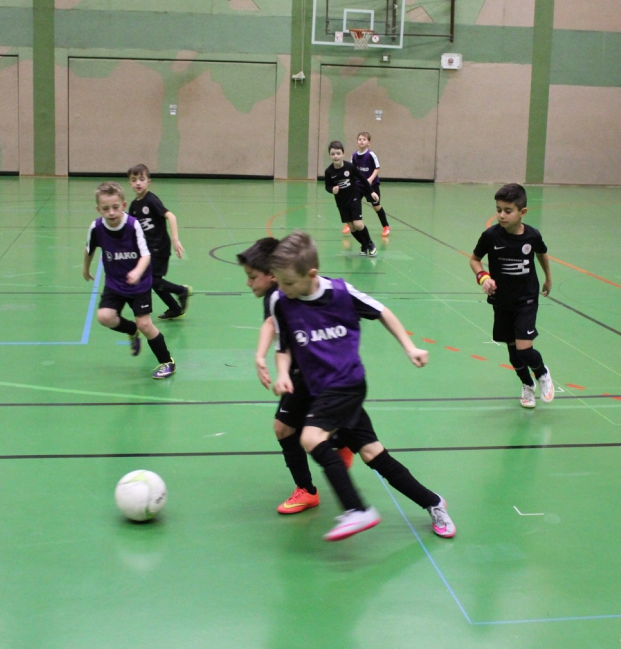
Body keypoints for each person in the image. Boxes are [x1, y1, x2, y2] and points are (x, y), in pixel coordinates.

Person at [268, 231, 455, 541]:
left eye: (288, 282)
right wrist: (282, 373)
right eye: (279, 282)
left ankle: (357, 510)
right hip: (317, 390)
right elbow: (283, 345)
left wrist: (409, 347)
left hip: (347, 384)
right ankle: (433, 502)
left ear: (311, 274)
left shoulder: (341, 294)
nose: (282, 289)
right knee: (373, 454)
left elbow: (382, 312)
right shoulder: (282, 301)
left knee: (311, 437)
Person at [237, 238, 354, 515]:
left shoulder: (283, 292)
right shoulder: (280, 291)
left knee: (284, 429)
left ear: (272, 275)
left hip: (306, 370)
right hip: (307, 368)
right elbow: (273, 323)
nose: (248, 283)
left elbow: (271, 323)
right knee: (295, 426)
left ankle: (310, 488)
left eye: (253, 276)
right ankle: (341, 439)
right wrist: (260, 356)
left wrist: (262, 356)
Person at [469, 183, 554, 409]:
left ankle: (542, 373)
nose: (501, 215)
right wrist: (483, 278)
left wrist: (548, 278)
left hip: (526, 299)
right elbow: (474, 260)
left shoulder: (532, 236)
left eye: (508, 211)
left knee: (524, 349)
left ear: (522, 212)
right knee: (514, 354)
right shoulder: (490, 236)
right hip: (502, 301)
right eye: (498, 210)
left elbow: (542, 253)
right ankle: (527, 385)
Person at [83, 181, 176, 379]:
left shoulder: (133, 225)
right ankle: (131, 330)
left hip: (139, 284)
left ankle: (167, 362)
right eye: (105, 208)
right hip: (114, 283)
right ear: (98, 209)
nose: (111, 212)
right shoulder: (96, 227)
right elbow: (89, 249)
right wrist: (85, 269)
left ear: (123, 205)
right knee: (105, 317)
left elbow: (146, 255)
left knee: (145, 324)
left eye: (115, 207)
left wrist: (137, 272)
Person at [126, 164, 191, 320]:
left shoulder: (151, 200)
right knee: (154, 281)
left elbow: (171, 216)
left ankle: (181, 291)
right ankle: (175, 308)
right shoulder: (134, 206)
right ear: (129, 183)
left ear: (149, 181)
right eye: (134, 180)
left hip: (160, 247)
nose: (138, 183)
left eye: (142, 179)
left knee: (153, 280)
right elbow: (132, 228)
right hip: (147, 250)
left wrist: (175, 239)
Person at [324, 140, 379, 256]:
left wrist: (371, 192)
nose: (336, 156)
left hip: (354, 198)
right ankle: (363, 244)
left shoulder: (350, 167)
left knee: (358, 224)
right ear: (329, 155)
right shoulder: (329, 171)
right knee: (352, 227)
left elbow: (363, 179)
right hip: (341, 202)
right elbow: (327, 186)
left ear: (343, 154)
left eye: (338, 153)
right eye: (333, 154)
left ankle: (370, 243)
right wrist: (332, 190)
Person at [350, 131, 391, 237]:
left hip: (372, 186)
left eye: (364, 139)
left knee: (376, 206)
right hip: (359, 185)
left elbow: (377, 168)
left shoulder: (371, 155)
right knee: (353, 204)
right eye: (360, 139)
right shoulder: (354, 155)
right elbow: (352, 170)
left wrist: (370, 179)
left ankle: (386, 226)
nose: (361, 141)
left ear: (369, 142)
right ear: (357, 142)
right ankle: (351, 223)